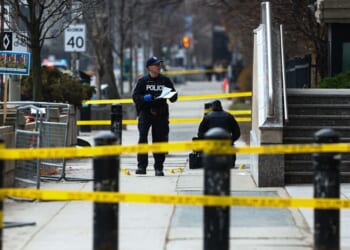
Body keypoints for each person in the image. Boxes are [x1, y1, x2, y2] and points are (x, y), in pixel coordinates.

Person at [132, 56, 178, 176]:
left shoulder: (165, 81)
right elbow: (135, 97)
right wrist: (144, 98)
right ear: (149, 68)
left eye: (159, 65)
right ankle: (141, 166)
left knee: (159, 140)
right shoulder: (143, 81)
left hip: (161, 113)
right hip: (146, 113)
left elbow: (174, 98)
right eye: (156, 65)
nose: (159, 67)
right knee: (143, 139)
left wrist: (170, 95)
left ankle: (159, 167)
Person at [197, 100, 240, 167]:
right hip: (226, 144)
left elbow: (200, 133)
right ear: (221, 106)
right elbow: (237, 132)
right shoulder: (229, 116)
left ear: (212, 108)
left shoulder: (207, 117)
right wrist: (231, 140)